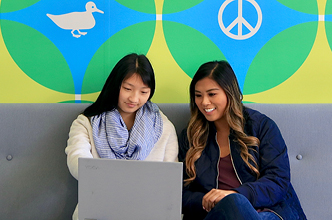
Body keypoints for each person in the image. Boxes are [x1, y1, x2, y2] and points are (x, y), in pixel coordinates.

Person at [178, 60, 306, 220]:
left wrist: (236, 195)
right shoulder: (191, 136)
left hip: (266, 213)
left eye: (212, 94)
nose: (204, 102)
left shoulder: (261, 126)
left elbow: (277, 180)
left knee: (236, 202)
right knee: (232, 205)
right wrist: (207, 200)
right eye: (198, 95)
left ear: (229, 93)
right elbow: (180, 192)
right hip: (217, 215)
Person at [65, 53, 179, 220]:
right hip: (99, 209)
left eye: (144, 92)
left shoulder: (163, 127)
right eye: (127, 89)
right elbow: (78, 162)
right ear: (115, 85)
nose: (134, 98)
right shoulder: (86, 123)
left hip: (147, 212)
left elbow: (170, 179)